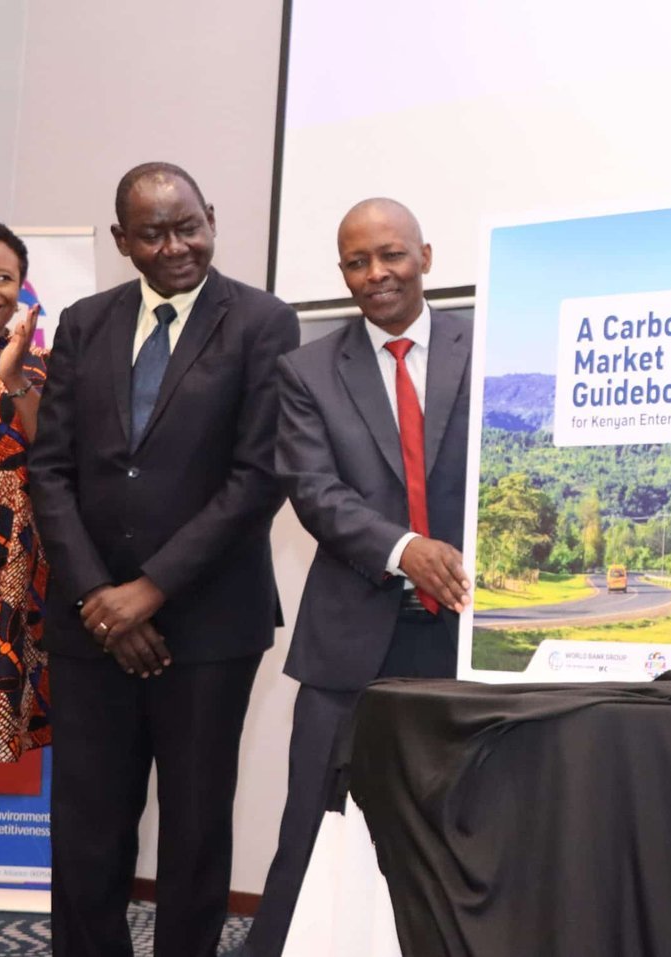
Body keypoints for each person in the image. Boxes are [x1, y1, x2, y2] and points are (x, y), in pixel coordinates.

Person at [28, 163, 299, 957]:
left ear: (211, 217)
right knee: (87, 825)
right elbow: (51, 469)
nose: (175, 245)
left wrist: (148, 591)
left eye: (189, 226)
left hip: (209, 624)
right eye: (152, 233)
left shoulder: (263, 322)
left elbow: (258, 476)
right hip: (89, 624)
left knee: (195, 824)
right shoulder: (84, 322)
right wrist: (99, 596)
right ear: (123, 241)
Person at [243, 198, 471, 956]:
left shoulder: (489, 347)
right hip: (350, 637)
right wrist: (404, 548)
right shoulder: (307, 369)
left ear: (426, 257)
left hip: (468, 632)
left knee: (463, 829)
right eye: (356, 261)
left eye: (392, 254)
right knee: (310, 826)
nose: (376, 273)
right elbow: (313, 490)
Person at [0, 219, 51, 849]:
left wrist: (16, 372)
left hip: (3, 599)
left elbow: (55, 455)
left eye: (3, 278)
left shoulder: (38, 371)